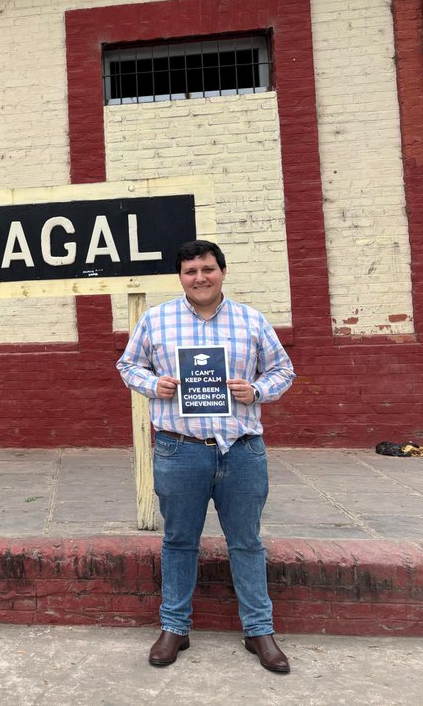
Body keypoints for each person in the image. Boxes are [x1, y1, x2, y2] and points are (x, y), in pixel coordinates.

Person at [116, 240, 295, 673]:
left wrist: (256, 391)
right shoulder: (156, 321)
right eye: (191, 271)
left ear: (223, 272)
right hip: (180, 449)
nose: (200, 277)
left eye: (208, 269)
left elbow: (282, 370)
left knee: (247, 542)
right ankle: (175, 627)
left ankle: (259, 631)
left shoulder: (251, 320)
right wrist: (151, 384)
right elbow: (128, 365)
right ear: (181, 277)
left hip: (242, 451)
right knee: (179, 541)